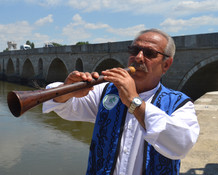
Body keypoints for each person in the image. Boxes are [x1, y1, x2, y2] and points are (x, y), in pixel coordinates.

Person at [42, 29, 200, 175]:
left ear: (166, 64)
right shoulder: (105, 91)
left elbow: (181, 144)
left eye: (149, 53)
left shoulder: (180, 103)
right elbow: (63, 106)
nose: (138, 57)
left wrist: (133, 100)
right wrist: (67, 91)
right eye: (134, 50)